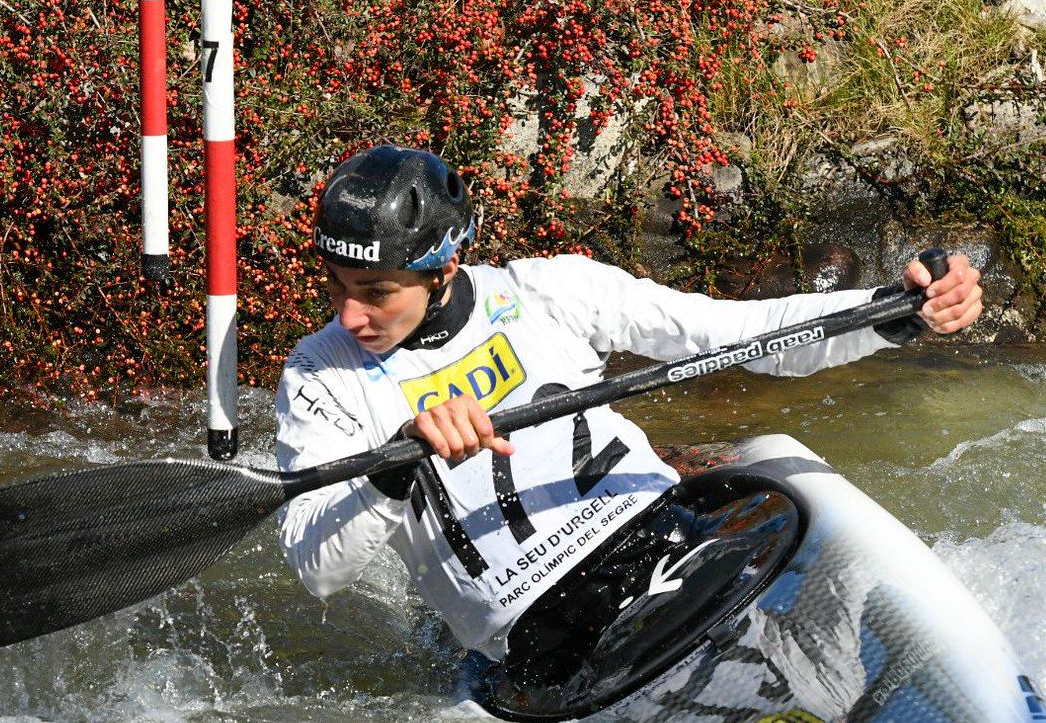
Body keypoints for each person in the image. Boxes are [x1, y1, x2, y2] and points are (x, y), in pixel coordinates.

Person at [274, 145, 982, 668]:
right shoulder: (320, 374)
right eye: (337, 286)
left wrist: (895, 312)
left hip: (669, 536)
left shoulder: (550, 292)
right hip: (544, 633)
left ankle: (923, 657)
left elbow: (736, 335)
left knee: (778, 456)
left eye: (375, 292)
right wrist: (395, 462)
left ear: (446, 266)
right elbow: (316, 566)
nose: (350, 315)